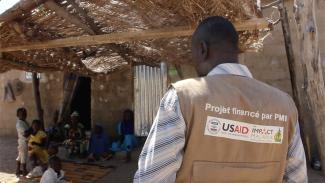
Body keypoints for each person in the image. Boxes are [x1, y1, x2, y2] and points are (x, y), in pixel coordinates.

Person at [134, 16, 307, 183]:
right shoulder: (284, 105)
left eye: (193, 56)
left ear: (203, 49)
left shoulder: (182, 97)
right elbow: (297, 177)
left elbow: (151, 178)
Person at [15, 107, 29, 176]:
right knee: (23, 156)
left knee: (20, 156)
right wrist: (32, 129)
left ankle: (17, 170)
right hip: (23, 142)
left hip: (22, 142)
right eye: (21, 114)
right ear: (17, 115)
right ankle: (24, 170)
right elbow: (25, 134)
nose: (23, 115)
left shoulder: (24, 122)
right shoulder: (20, 123)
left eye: (24, 114)